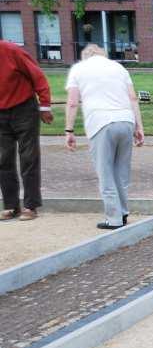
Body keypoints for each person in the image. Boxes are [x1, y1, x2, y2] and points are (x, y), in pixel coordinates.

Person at [64, 44, 144, 230]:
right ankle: (123, 213)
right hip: (125, 120)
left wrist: (69, 130)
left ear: (85, 56)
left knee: (105, 172)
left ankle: (113, 218)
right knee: (121, 171)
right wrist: (139, 126)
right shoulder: (118, 68)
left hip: (100, 122)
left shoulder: (78, 69)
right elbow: (133, 98)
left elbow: (73, 102)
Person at [0, 39, 54, 221]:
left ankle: (31, 206)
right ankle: (10, 205)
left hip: (23, 108)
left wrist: (45, 106)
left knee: (28, 157)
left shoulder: (11, 50)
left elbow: (37, 76)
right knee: (3, 159)